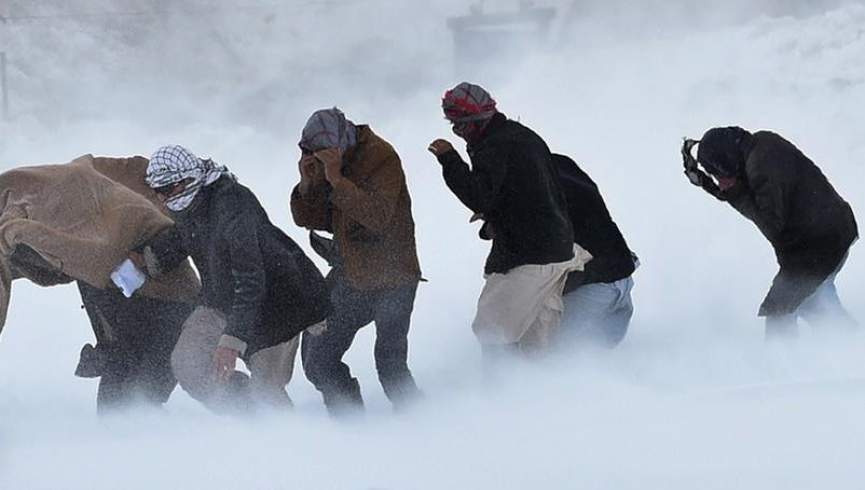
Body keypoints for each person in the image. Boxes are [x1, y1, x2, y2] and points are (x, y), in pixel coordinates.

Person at [0, 154, 200, 413]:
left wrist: (17, 234)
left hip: (167, 309)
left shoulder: (26, 208)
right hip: (129, 325)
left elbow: (97, 258)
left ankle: (258, 419)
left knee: (134, 409)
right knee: (118, 414)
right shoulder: (32, 193)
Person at [144, 145, 330, 413]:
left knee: (267, 389)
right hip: (221, 298)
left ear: (187, 179)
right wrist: (148, 259)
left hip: (278, 303)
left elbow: (251, 279)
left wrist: (231, 342)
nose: (161, 198)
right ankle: (247, 421)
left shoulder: (233, 206)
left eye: (166, 189)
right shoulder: (186, 203)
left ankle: (286, 440)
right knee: (189, 363)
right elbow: (185, 235)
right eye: (156, 190)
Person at [427, 82, 590, 364]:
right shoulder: (521, 137)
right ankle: (538, 397)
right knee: (536, 339)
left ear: (478, 120)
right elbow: (524, 190)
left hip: (532, 255)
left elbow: (479, 196)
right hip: (556, 246)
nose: (458, 132)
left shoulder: (495, 146)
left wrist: (449, 160)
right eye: (454, 126)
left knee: (491, 328)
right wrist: (499, 216)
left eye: (460, 125)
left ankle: (501, 392)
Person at [291, 108, 423, 415]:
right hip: (351, 275)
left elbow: (377, 217)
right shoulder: (333, 160)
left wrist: (336, 178)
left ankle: (424, 426)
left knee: (391, 365)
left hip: (394, 278)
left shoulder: (380, 156)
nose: (318, 157)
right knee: (318, 361)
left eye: (321, 152)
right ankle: (350, 426)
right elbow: (316, 220)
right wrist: (308, 183)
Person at [682, 127, 858, 339]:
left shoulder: (760, 168)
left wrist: (733, 192)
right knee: (814, 303)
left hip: (818, 246)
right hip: (832, 231)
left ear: (726, 161)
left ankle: (784, 366)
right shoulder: (760, 145)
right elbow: (753, 194)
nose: (720, 181)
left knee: (780, 313)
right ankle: (848, 346)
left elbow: (772, 225)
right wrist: (709, 184)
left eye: (717, 174)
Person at [553, 154, 638, 348]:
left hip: (594, 291)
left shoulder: (534, 184)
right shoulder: (561, 165)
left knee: (549, 358)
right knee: (593, 363)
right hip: (622, 279)